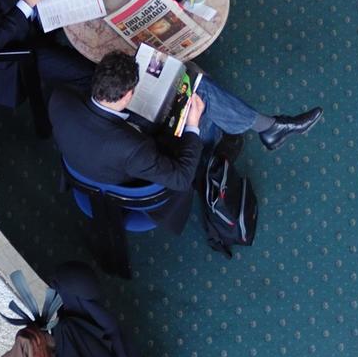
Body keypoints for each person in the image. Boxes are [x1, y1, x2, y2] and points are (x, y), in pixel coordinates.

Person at [48, 50, 323, 234]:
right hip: (138, 174)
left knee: (194, 78)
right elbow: (180, 179)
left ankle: (267, 128)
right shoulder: (133, 148)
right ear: (127, 95)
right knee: (202, 93)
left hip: (92, 158)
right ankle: (266, 129)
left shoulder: (59, 98)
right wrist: (191, 126)